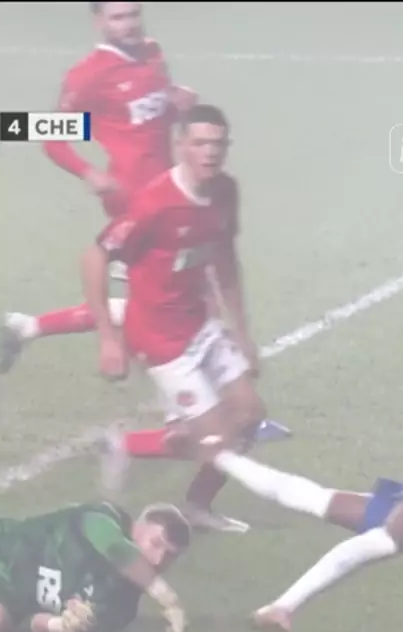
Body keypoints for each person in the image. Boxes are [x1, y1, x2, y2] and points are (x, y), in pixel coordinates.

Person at [79, 104, 268, 532]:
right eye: (199, 143)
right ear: (181, 145)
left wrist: (242, 333)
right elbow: (94, 257)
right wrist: (108, 339)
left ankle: (197, 504)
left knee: (251, 416)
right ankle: (124, 446)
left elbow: (225, 259)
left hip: (199, 323)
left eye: (217, 144)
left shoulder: (225, 191)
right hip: (159, 339)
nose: (209, 152)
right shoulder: (155, 204)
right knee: (218, 441)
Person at [0, 0, 196, 374]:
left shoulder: (152, 53)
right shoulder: (90, 75)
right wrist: (89, 173)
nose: (129, 24)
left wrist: (180, 106)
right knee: (176, 294)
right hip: (133, 197)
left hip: (168, 188)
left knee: (166, 296)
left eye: (133, 14)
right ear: (98, 22)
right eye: (117, 17)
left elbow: (148, 118)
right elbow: (55, 135)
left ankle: (28, 327)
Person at [208, 443, 403, 632]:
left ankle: (220, 455)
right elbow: (373, 544)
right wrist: (285, 606)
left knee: (321, 501)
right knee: (371, 531)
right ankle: (217, 453)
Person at [0, 499, 191, 632]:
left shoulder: (121, 607)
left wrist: (64, 625)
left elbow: (37, 626)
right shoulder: (102, 518)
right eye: (155, 544)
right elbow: (114, 547)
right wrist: (168, 599)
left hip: (9, 593)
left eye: (170, 555)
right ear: (137, 528)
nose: (157, 560)